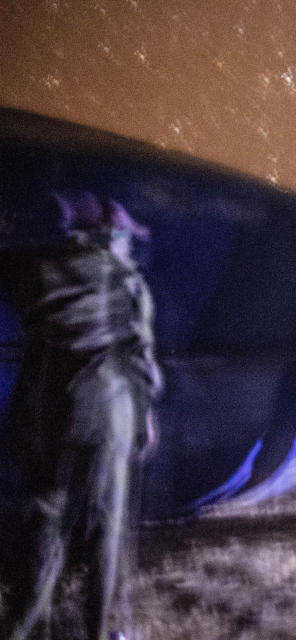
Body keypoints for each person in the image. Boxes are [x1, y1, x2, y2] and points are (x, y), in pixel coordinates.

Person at [2, 192, 162, 640]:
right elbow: (142, 359)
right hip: (114, 415)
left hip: (53, 414)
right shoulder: (130, 283)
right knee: (107, 528)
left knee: (45, 522)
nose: (130, 246)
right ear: (109, 236)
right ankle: (100, 630)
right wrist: (145, 417)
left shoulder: (39, 271)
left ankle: (22, 624)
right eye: (127, 237)